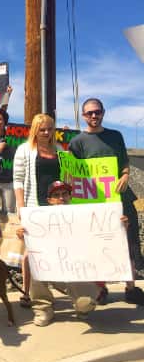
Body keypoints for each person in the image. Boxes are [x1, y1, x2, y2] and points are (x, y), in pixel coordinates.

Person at [68, 98, 144, 305]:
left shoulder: (115, 136)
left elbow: (124, 164)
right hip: (93, 204)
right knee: (97, 245)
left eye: (97, 112)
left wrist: (125, 176)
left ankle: (130, 287)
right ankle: (101, 289)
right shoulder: (77, 142)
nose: (94, 116)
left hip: (121, 198)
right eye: (90, 113)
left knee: (126, 242)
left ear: (103, 113)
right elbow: (73, 173)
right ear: (84, 116)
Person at [16, 181, 97, 326]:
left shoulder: (84, 216)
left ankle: (82, 308)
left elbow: (102, 234)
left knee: (85, 304)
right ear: (49, 200)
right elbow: (34, 245)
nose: (61, 198)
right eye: (56, 195)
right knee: (32, 259)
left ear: (70, 196)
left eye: (65, 194)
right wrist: (24, 235)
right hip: (52, 267)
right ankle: (43, 309)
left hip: (78, 269)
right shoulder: (38, 219)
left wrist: (119, 225)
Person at [13, 113, 61, 307]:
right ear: (34, 130)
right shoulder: (24, 150)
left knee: (52, 247)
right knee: (29, 251)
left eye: (50, 128)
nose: (46, 132)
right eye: (42, 129)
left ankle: (45, 289)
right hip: (33, 206)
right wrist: (21, 206)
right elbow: (17, 179)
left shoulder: (59, 150)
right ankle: (26, 292)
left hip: (56, 206)